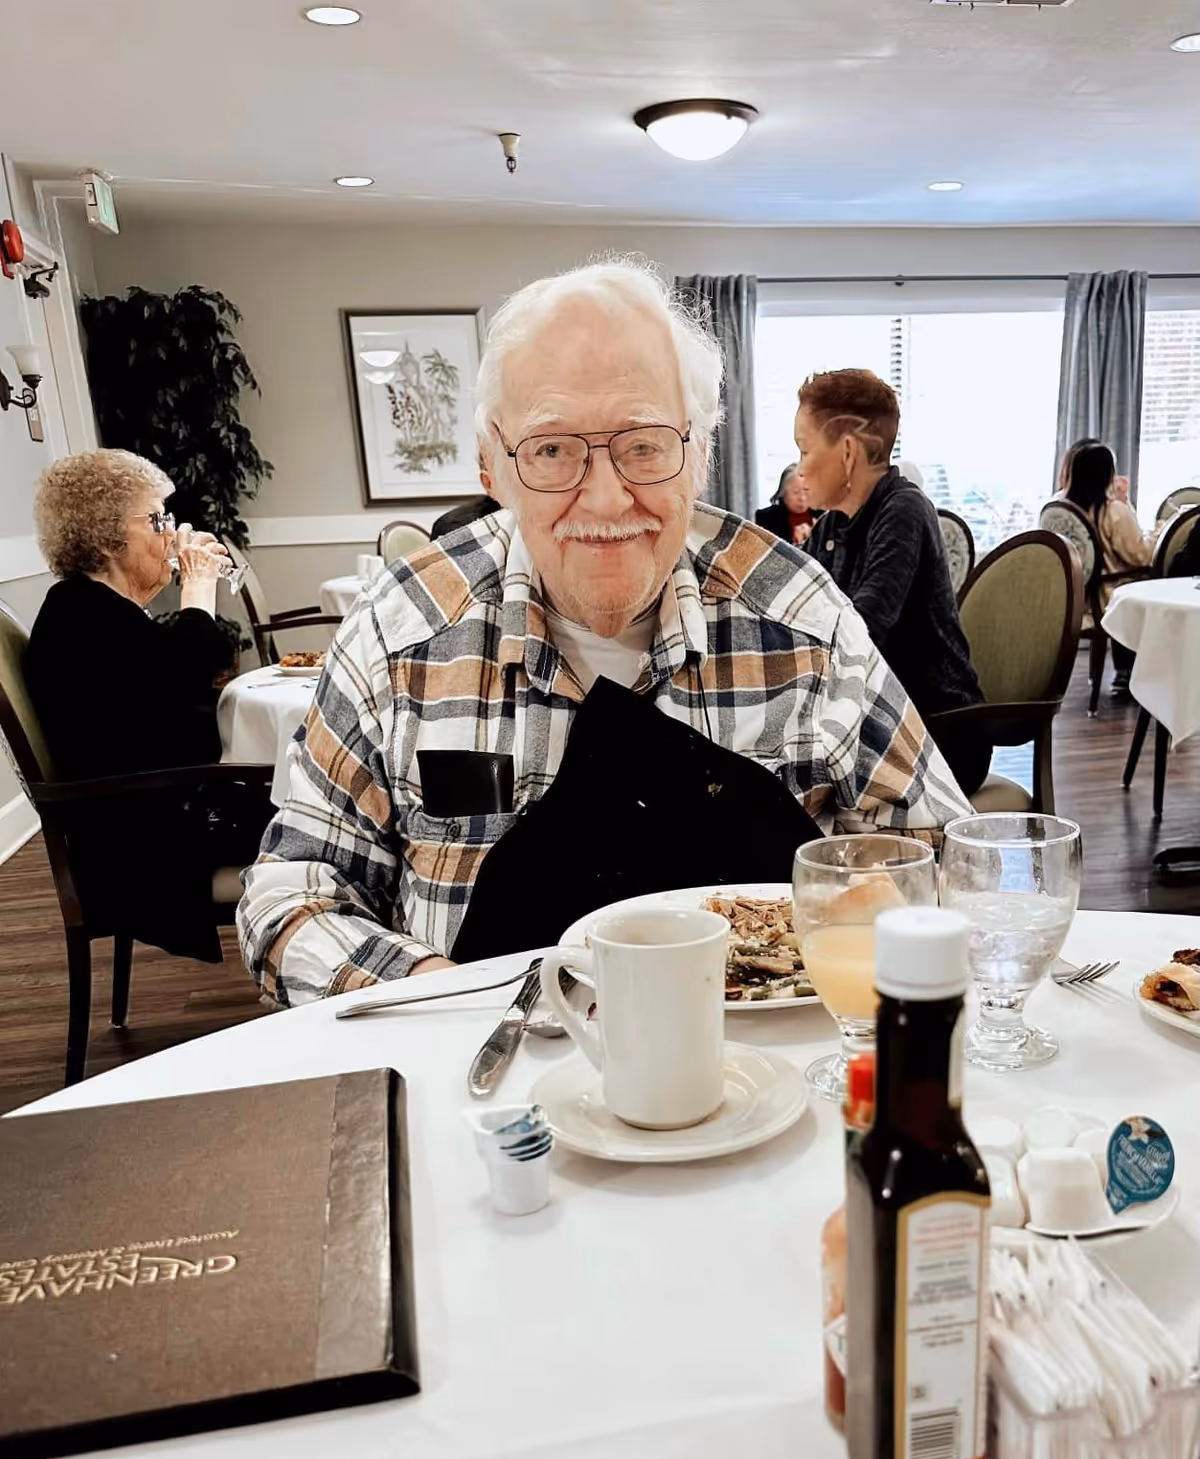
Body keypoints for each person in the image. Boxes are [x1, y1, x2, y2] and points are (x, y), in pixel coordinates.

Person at [239, 262, 970, 1006]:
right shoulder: (401, 634)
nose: (606, 497)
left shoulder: (804, 622)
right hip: (484, 1074)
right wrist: (456, 1001)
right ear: (493, 462)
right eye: (553, 449)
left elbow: (944, 863)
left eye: (645, 444)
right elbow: (289, 900)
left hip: (772, 1081)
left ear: (700, 454)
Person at [26, 449, 269, 961]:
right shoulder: (82, 616)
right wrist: (199, 585)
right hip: (143, 848)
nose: (170, 533)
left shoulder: (98, 611)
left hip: (157, 816)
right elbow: (187, 670)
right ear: (105, 532)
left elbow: (186, 672)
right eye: (157, 518)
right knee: (335, 828)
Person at [796, 369, 990, 796]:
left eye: (804, 450)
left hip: (941, 735)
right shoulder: (833, 525)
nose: (798, 471)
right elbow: (793, 599)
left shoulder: (904, 510)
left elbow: (863, 630)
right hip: (885, 724)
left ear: (847, 452)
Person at [1057, 439, 1154, 699]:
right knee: (1155, 578)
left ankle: (1124, 670)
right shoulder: (1114, 511)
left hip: (1074, 595)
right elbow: (1142, 555)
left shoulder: (1058, 506)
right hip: (1109, 595)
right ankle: (1131, 671)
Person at [755, 463, 817, 546]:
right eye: (796, 492)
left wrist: (815, 535)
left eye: (806, 491)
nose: (802, 498)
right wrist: (793, 542)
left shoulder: (823, 515)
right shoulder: (766, 518)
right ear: (783, 493)